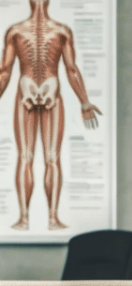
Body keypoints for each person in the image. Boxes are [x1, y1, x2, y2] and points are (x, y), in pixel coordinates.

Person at [0, 0, 102, 231]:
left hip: (44, 93)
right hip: (35, 92)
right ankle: (28, 218)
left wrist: (85, 102)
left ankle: (47, 218)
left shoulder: (52, 31)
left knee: (47, 158)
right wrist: (84, 102)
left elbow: (71, 69)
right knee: (30, 157)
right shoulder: (22, 31)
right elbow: (4, 71)